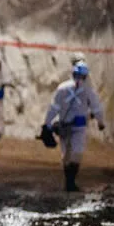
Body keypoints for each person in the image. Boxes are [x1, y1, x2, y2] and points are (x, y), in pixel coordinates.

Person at [43, 61, 105, 192]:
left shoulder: (63, 88)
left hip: (67, 126)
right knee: (75, 153)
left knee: (67, 154)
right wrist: (100, 122)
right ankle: (70, 182)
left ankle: (69, 182)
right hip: (75, 127)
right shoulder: (87, 90)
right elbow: (96, 107)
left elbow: (53, 108)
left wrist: (47, 123)